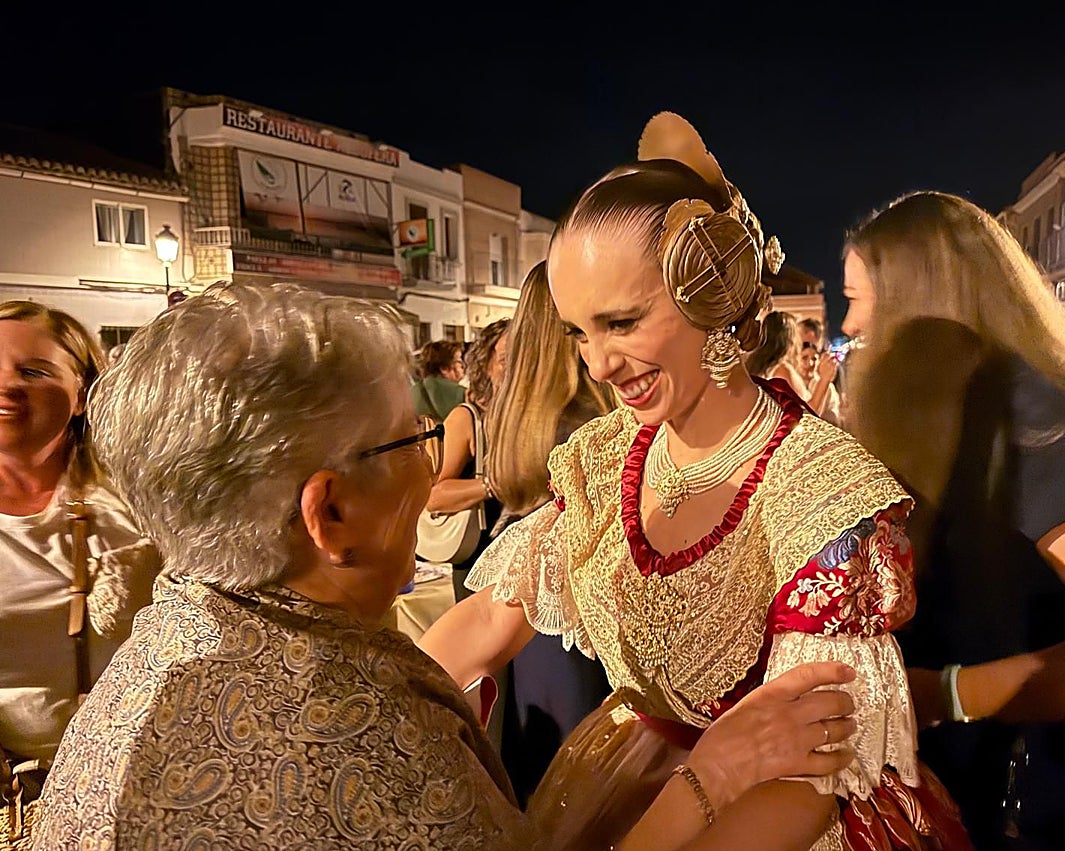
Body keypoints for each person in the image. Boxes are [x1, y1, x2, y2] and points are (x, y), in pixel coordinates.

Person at [32, 280, 866, 850]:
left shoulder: (174, 635)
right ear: (329, 513)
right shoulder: (363, 734)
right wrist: (709, 777)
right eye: (411, 439)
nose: (602, 360)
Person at [419, 113, 970, 851]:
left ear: (714, 293)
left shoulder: (821, 492)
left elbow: (809, 778)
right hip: (626, 770)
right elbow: (491, 620)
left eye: (621, 322)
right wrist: (370, 699)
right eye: (580, 331)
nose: (597, 364)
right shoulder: (605, 457)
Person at [840, 190, 1065, 850]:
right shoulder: (975, 417)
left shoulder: (1035, 422)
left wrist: (938, 694)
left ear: (916, 300)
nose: (853, 327)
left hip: (1053, 812)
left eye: (861, 301)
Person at [0, 301, 161, 845]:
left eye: (33, 371)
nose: (8, 386)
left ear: (83, 391)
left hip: (141, 775)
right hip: (15, 797)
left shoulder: (141, 497)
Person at [482, 262, 614, 806]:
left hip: (533, 625)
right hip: (573, 621)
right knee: (583, 783)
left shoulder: (527, 411)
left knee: (543, 776)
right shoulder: (589, 420)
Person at [425, 317, 509, 602]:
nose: (517, 368)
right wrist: (493, 486)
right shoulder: (467, 417)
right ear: (486, 364)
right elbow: (434, 496)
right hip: (479, 559)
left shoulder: (528, 418)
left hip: (518, 560)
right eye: (506, 359)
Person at [744, 310, 805, 390]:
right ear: (790, 339)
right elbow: (804, 402)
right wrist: (824, 380)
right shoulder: (782, 370)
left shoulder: (752, 363)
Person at [412, 339, 465, 422]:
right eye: (458, 361)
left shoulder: (411, 394)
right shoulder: (463, 395)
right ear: (444, 368)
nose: (462, 365)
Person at [796, 341, 842, 426]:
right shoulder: (791, 382)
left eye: (814, 359)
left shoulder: (826, 386)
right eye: (804, 358)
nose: (810, 363)